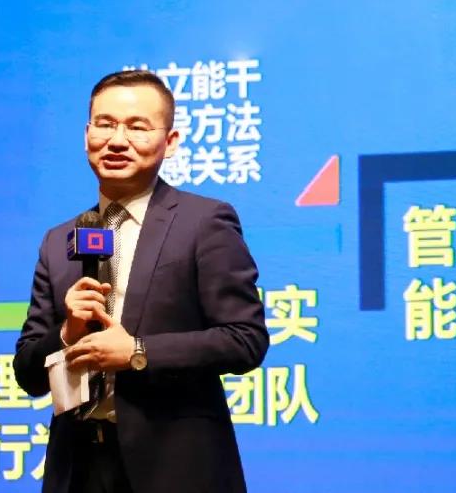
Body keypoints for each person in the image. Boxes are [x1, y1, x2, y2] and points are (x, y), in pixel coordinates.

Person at [14, 69, 268, 493]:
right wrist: (67, 332)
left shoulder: (204, 222)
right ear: (87, 135)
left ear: (170, 141)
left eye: (137, 127)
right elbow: (27, 372)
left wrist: (137, 352)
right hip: (77, 470)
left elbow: (245, 340)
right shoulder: (59, 241)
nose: (117, 140)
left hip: (176, 470)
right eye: (105, 124)